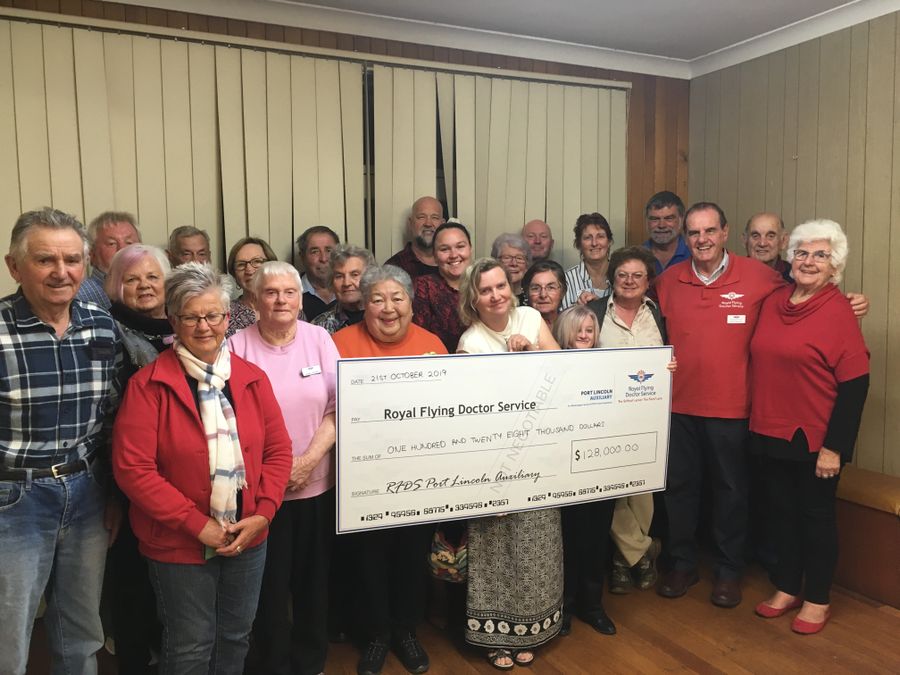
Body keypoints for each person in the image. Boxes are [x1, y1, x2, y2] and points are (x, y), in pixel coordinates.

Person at [654, 202, 868, 609]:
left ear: (725, 232)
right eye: (694, 232)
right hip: (678, 407)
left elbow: (812, 294)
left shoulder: (761, 278)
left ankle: (729, 571)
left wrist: (853, 301)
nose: (702, 239)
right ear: (686, 237)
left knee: (731, 494)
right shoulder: (667, 281)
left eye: (710, 231)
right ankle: (680, 563)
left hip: (734, 409)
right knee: (679, 491)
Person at [112, 262, 292, 674]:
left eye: (213, 315)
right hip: (178, 543)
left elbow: (279, 451)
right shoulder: (149, 385)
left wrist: (263, 514)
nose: (204, 326)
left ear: (228, 318)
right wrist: (198, 525)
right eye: (191, 316)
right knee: (190, 644)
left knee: (235, 636)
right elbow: (133, 471)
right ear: (173, 320)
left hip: (248, 535)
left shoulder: (251, 378)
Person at [1, 207, 122, 675]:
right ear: (15, 266)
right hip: (14, 500)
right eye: (45, 260)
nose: (61, 272)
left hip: (87, 495)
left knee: (81, 629)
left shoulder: (100, 325)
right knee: (9, 634)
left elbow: (108, 420)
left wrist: (111, 492)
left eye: (72, 260)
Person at [749, 220, 869, 635]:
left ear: (834, 266)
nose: (809, 261)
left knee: (815, 518)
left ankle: (817, 598)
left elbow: (855, 385)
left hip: (816, 439)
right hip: (770, 429)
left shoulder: (838, 311)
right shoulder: (775, 299)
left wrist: (835, 447)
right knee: (781, 515)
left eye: (820, 255)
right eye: (802, 252)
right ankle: (786, 587)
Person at [332, 265, 446, 675]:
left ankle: (406, 631)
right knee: (369, 558)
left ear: (412, 306)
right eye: (377, 299)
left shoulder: (433, 345)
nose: (388, 308)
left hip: (418, 476)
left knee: (412, 556)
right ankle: (377, 634)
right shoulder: (339, 344)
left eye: (397, 298)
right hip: (362, 480)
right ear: (363, 306)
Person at [229, 261, 339, 674]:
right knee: (268, 587)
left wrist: (308, 461)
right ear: (255, 299)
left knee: (313, 582)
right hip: (261, 492)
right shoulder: (236, 345)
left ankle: (311, 661)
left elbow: (337, 408)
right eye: (270, 293)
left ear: (300, 298)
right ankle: (271, 663)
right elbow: (232, 419)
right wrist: (278, 473)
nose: (280, 300)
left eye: (289, 292)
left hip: (317, 484)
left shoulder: (320, 340)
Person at [456, 258, 562, 670]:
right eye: (486, 290)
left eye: (501, 286)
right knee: (495, 545)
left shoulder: (532, 318)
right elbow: (470, 411)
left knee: (537, 540)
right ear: (473, 298)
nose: (497, 295)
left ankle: (535, 628)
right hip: (494, 460)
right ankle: (495, 636)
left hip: (539, 453)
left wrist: (533, 351)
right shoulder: (470, 341)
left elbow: (563, 374)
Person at [585, 247, 671, 595]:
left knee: (643, 490)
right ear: (612, 279)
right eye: (623, 275)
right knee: (613, 490)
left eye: (638, 275)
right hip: (605, 417)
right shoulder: (593, 311)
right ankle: (639, 553)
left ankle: (624, 559)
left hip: (650, 416)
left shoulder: (661, 315)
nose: (630, 281)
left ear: (648, 281)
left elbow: (675, 351)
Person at [103, 243, 173, 670]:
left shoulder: (189, 327)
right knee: (132, 580)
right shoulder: (108, 333)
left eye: (152, 277)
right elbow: (107, 419)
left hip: (185, 479)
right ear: (116, 286)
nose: (144, 285)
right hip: (130, 481)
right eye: (132, 279)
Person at [550, 305, 619, 637]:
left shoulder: (611, 367)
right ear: (564, 331)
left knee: (595, 539)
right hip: (562, 470)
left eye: (589, 330)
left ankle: (592, 605)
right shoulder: (548, 366)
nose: (583, 335)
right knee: (566, 541)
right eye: (577, 329)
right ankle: (563, 606)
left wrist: (663, 372)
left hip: (600, 468)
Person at [413, 221, 473, 352]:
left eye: (460, 246)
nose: (453, 255)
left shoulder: (484, 283)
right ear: (434, 256)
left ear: (470, 249)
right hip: (438, 365)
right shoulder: (424, 287)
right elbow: (418, 337)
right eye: (444, 249)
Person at [77, 210, 141, 308]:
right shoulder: (80, 297)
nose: (122, 249)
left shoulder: (157, 289)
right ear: (92, 254)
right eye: (112, 243)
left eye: (129, 242)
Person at [313, 244, 376, 334]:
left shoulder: (385, 318)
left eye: (354, 275)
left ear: (370, 278)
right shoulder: (320, 327)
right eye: (339, 276)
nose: (346, 283)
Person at [225, 237, 278, 338]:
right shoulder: (224, 314)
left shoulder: (288, 308)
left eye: (257, 261)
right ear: (234, 274)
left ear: (271, 265)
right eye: (241, 265)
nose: (249, 270)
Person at [562, 212, 614, 309]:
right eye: (587, 238)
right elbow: (561, 319)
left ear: (609, 241)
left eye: (600, 236)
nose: (594, 243)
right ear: (578, 244)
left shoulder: (621, 276)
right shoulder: (566, 280)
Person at [384, 196, 443, 279]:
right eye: (421, 217)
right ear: (411, 223)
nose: (428, 223)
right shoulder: (394, 267)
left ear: (443, 224)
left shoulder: (454, 262)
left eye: (435, 218)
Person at [296, 226, 340, 321]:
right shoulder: (290, 293)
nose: (323, 258)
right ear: (302, 257)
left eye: (329, 251)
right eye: (315, 252)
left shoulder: (352, 290)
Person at [642, 191, 690, 275]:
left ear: (681, 220)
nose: (661, 225)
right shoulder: (637, 256)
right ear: (646, 221)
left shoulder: (695, 254)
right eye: (655, 219)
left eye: (669, 218)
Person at [744, 212, 791, 281]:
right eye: (755, 236)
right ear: (745, 240)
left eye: (770, 236)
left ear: (783, 241)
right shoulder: (731, 272)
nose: (762, 243)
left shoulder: (795, 277)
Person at [523, 260, 567, 328]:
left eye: (551, 288)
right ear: (527, 292)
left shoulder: (571, 325)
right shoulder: (518, 326)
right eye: (536, 288)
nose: (543, 295)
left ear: (563, 291)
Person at [492, 232, 531, 302]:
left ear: (527, 264)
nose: (514, 263)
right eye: (507, 258)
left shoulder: (533, 298)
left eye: (519, 258)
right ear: (496, 261)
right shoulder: (490, 297)